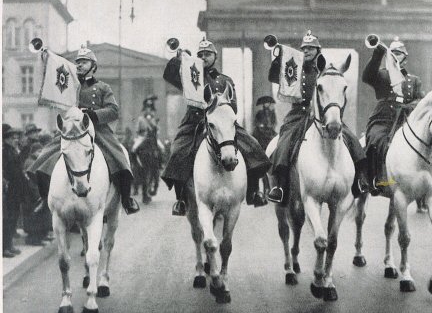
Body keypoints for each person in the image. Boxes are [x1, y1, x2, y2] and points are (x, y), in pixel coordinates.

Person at [161, 37, 271, 215]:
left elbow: (233, 105)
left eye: (208, 54)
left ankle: (253, 192)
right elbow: (169, 75)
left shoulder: (225, 80)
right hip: (194, 122)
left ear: (215, 57)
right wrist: (178, 59)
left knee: (253, 147)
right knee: (178, 151)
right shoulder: (190, 75)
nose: (204, 57)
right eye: (201, 54)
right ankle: (180, 199)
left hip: (221, 123)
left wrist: (220, 111)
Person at [28, 46, 140, 215]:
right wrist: (46, 58)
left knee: (120, 159)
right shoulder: (69, 85)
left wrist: (93, 114)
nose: (79, 65)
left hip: (98, 130)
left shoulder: (103, 88)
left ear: (93, 66)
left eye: (84, 62)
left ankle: (126, 199)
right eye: (78, 62)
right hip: (73, 128)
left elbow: (113, 110)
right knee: (45, 158)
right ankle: (45, 199)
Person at [267, 30, 371, 205]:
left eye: (311, 48)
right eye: (304, 48)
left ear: (318, 51)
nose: (306, 51)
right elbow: (272, 77)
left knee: (351, 139)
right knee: (285, 141)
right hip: (298, 114)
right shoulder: (293, 68)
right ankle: (280, 186)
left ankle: (359, 179)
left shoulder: (325, 71)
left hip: (324, 115)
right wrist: (279, 59)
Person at [362, 37, 425, 195]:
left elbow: (421, 100)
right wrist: (377, 54)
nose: (395, 56)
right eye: (393, 53)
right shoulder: (382, 75)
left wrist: (409, 105)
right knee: (376, 140)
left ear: (405, 58)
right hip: (383, 118)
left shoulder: (414, 80)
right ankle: (375, 179)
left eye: (399, 53)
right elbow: (367, 77)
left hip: (405, 120)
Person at [3, 124, 24, 257]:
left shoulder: (13, 150)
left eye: (15, 137)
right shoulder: (4, 152)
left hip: (16, 189)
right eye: (11, 137)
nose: (14, 139)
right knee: (7, 219)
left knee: (13, 217)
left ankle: (9, 245)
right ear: (5, 139)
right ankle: (4, 247)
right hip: (9, 189)